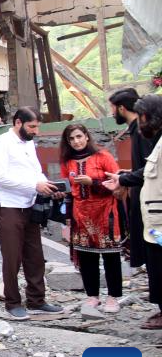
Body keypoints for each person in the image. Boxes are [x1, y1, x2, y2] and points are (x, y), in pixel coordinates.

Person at [0, 107, 64, 320]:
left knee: (35, 255)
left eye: (37, 127)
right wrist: (35, 185)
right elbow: (1, 178)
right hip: (8, 206)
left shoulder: (29, 143)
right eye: (32, 126)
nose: (36, 131)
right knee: (12, 257)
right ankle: (12, 303)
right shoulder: (1, 143)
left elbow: (35, 171)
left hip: (30, 205)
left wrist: (48, 186)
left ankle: (36, 301)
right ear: (18, 122)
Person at [105, 93, 162, 331]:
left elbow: (148, 172)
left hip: (157, 220)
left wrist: (123, 179)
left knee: (158, 262)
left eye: (142, 117)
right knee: (155, 261)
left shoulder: (152, 139)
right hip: (153, 217)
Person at [59, 123, 123, 312]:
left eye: (79, 136)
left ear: (87, 136)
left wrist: (92, 182)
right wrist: (67, 214)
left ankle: (113, 298)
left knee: (111, 255)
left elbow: (118, 183)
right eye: (71, 139)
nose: (76, 141)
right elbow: (68, 189)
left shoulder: (103, 156)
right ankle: (92, 296)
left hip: (105, 212)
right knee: (86, 255)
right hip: (81, 214)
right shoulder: (67, 162)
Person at [108, 87, 149, 268]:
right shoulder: (136, 129)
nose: (112, 113)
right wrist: (128, 173)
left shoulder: (142, 131)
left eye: (112, 108)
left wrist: (123, 180)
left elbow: (150, 169)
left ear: (121, 108)